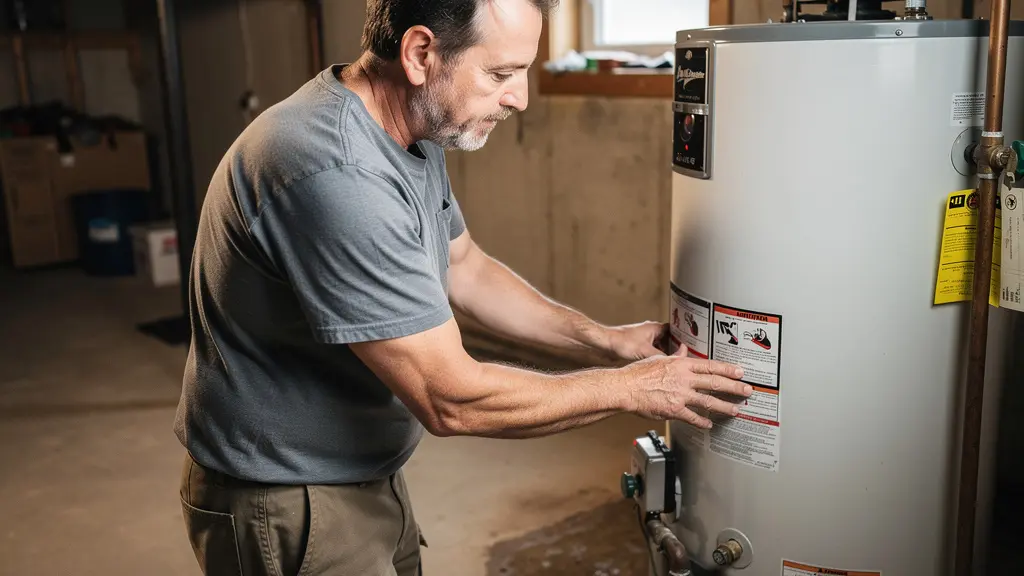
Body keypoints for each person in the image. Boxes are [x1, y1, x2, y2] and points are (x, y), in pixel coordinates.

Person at [173, 0, 753, 574]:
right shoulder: (335, 171)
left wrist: (605, 340)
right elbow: (450, 396)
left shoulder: (410, 128)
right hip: (286, 495)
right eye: (501, 73)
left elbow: (466, 268)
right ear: (421, 53)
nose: (519, 98)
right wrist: (633, 388)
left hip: (359, 469)